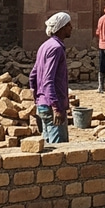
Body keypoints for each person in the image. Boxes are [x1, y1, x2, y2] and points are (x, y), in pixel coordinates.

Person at [29, 12, 73, 144]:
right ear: (62, 28)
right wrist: (56, 107)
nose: (71, 28)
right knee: (58, 151)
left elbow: (33, 75)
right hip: (52, 106)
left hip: (43, 104)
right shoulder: (56, 48)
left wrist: (36, 96)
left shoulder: (44, 46)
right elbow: (48, 80)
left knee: (48, 149)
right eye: (69, 25)